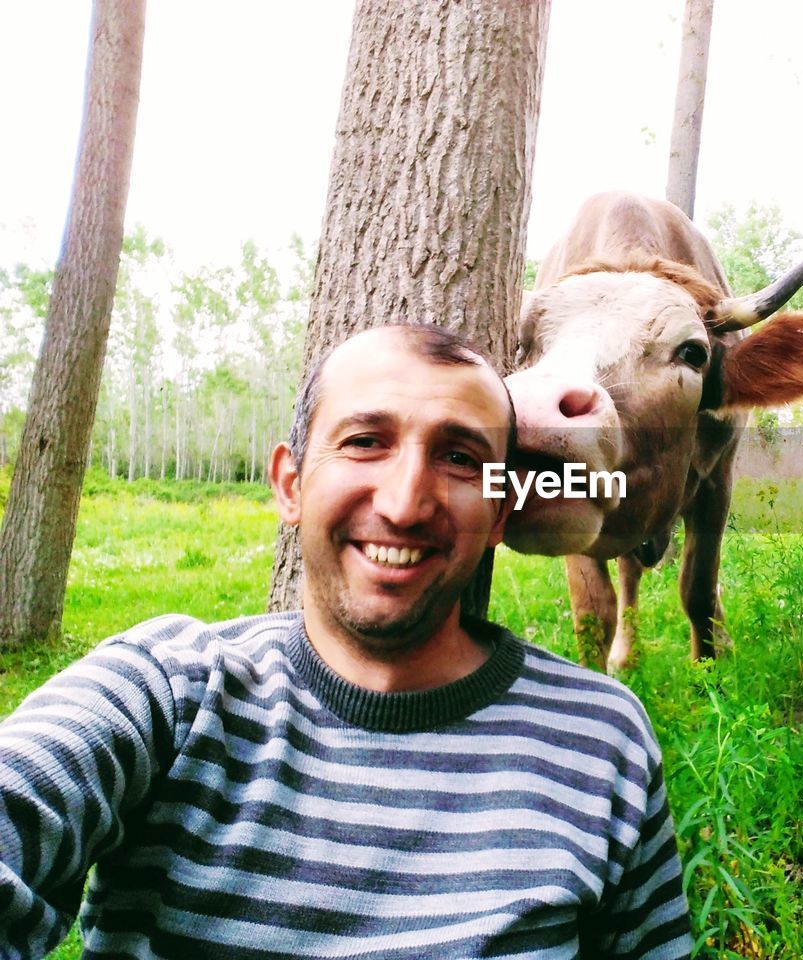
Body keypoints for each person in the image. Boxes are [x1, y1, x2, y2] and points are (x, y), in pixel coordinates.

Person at [0, 324, 693, 959]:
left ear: (502, 506)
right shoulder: (167, 694)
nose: (403, 504)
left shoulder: (601, 739)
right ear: (291, 484)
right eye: (365, 441)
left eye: (458, 457)